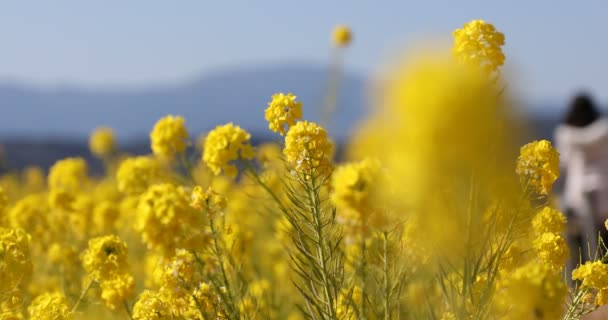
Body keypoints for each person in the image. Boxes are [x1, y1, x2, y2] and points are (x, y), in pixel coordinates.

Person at [554, 93, 608, 260]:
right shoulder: (604, 131)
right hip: (604, 192)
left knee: (581, 245)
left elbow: (562, 164)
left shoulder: (566, 135)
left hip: (578, 193)